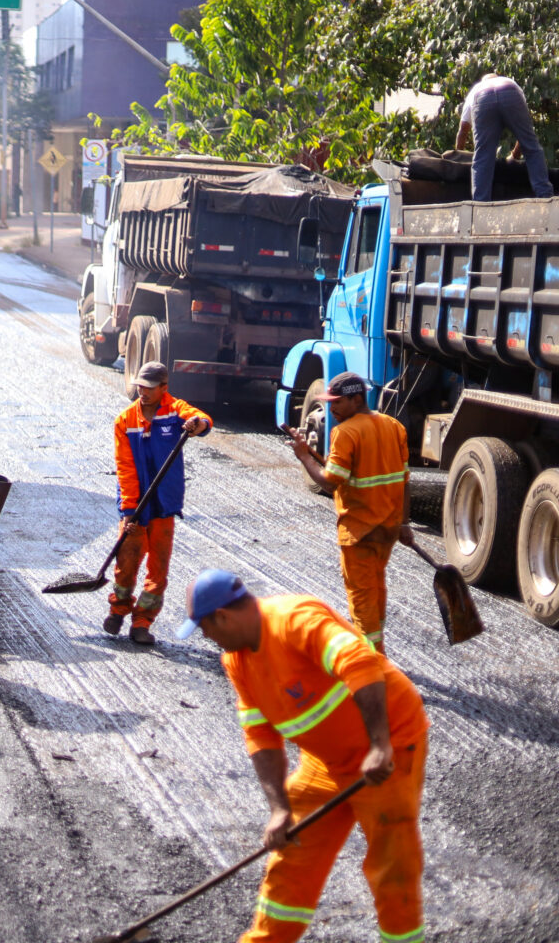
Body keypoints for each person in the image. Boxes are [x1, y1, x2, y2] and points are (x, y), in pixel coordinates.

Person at [176, 569, 428, 943]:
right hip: (325, 764)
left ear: (223, 617)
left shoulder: (295, 620)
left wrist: (379, 746)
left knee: (392, 863)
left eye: (205, 629)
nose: (207, 638)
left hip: (389, 743)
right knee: (292, 858)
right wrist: (278, 808)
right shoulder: (237, 661)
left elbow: (359, 661)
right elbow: (259, 734)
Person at [285, 371, 410, 653]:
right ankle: (375, 648)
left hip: (360, 533)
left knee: (362, 602)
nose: (332, 409)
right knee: (376, 592)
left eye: (337, 402)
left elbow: (330, 482)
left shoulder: (345, 432)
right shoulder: (393, 426)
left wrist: (304, 456)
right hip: (387, 530)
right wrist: (404, 524)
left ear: (356, 399)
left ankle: (372, 664)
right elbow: (404, 481)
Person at [106, 361, 212, 645]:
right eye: (140, 386)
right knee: (126, 562)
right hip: (136, 506)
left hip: (164, 504)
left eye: (150, 388)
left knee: (158, 567)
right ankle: (118, 610)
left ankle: (142, 622)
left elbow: (201, 419)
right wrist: (128, 511)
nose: (143, 392)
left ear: (164, 388)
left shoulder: (175, 411)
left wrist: (197, 424)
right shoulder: (125, 421)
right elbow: (125, 468)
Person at [454, 73, 554, 202]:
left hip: (482, 98)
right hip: (510, 92)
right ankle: (545, 196)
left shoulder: (477, 89)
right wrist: (514, 156)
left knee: (482, 156)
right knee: (532, 147)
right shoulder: (510, 82)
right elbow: (524, 135)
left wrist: (458, 157)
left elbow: (462, 131)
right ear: (497, 78)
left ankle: (480, 203)